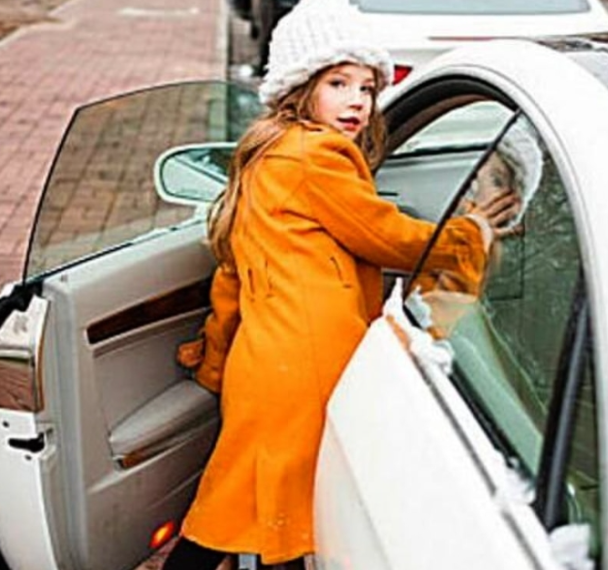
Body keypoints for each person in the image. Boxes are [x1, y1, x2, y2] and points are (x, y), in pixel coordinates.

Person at [163, 1, 519, 569]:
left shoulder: (264, 153)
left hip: (263, 365)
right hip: (311, 368)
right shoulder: (318, 154)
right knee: (289, 508)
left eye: (368, 88)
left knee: (245, 505)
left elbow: (230, 278)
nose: (358, 101)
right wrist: (469, 234)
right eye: (338, 83)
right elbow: (386, 237)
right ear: (299, 87)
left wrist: (214, 362)